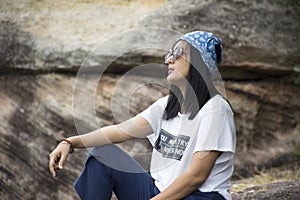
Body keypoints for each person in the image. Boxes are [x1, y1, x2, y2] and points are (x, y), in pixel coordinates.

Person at [49, 31, 236, 200]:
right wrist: (70, 142)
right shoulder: (166, 107)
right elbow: (118, 131)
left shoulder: (215, 109)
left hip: (200, 197)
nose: (169, 60)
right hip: (160, 192)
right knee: (102, 154)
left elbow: (197, 176)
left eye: (178, 52)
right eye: (169, 53)